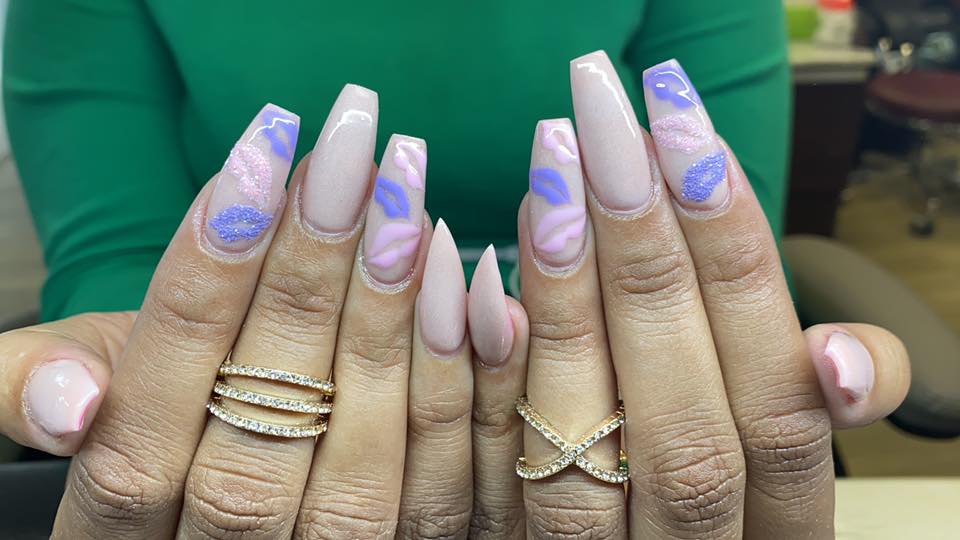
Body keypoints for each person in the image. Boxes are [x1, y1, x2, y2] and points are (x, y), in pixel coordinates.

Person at [0, 2, 910, 538]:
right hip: (272, 393)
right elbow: (122, 259)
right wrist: (149, 365)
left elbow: (713, 264)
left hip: (636, 414)